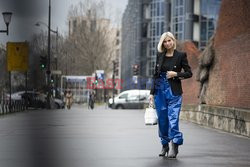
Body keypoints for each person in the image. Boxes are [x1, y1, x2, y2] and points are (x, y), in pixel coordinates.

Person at [149, 32, 192, 158]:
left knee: (173, 120)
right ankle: (164, 145)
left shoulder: (180, 56)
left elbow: (189, 73)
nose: (167, 43)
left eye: (169, 40)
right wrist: (152, 93)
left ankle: (175, 145)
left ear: (173, 41)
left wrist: (176, 74)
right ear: (162, 43)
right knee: (162, 120)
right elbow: (155, 75)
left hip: (174, 91)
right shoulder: (159, 55)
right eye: (165, 41)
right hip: (159, 91)